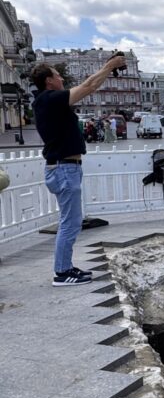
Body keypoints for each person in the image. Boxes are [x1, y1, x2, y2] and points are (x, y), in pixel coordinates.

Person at [30, 55, 127, 286]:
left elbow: (88, 85)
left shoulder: (47, 100)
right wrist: (109, 66)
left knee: (70, 221)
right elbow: (89, 86)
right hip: (64, 169)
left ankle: (65, 267)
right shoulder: (49, 99)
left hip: (65, 168)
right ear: (48, 81)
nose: (61, 77)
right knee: (70, 223)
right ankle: (62, 273)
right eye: (57, 75)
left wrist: (107, 69)